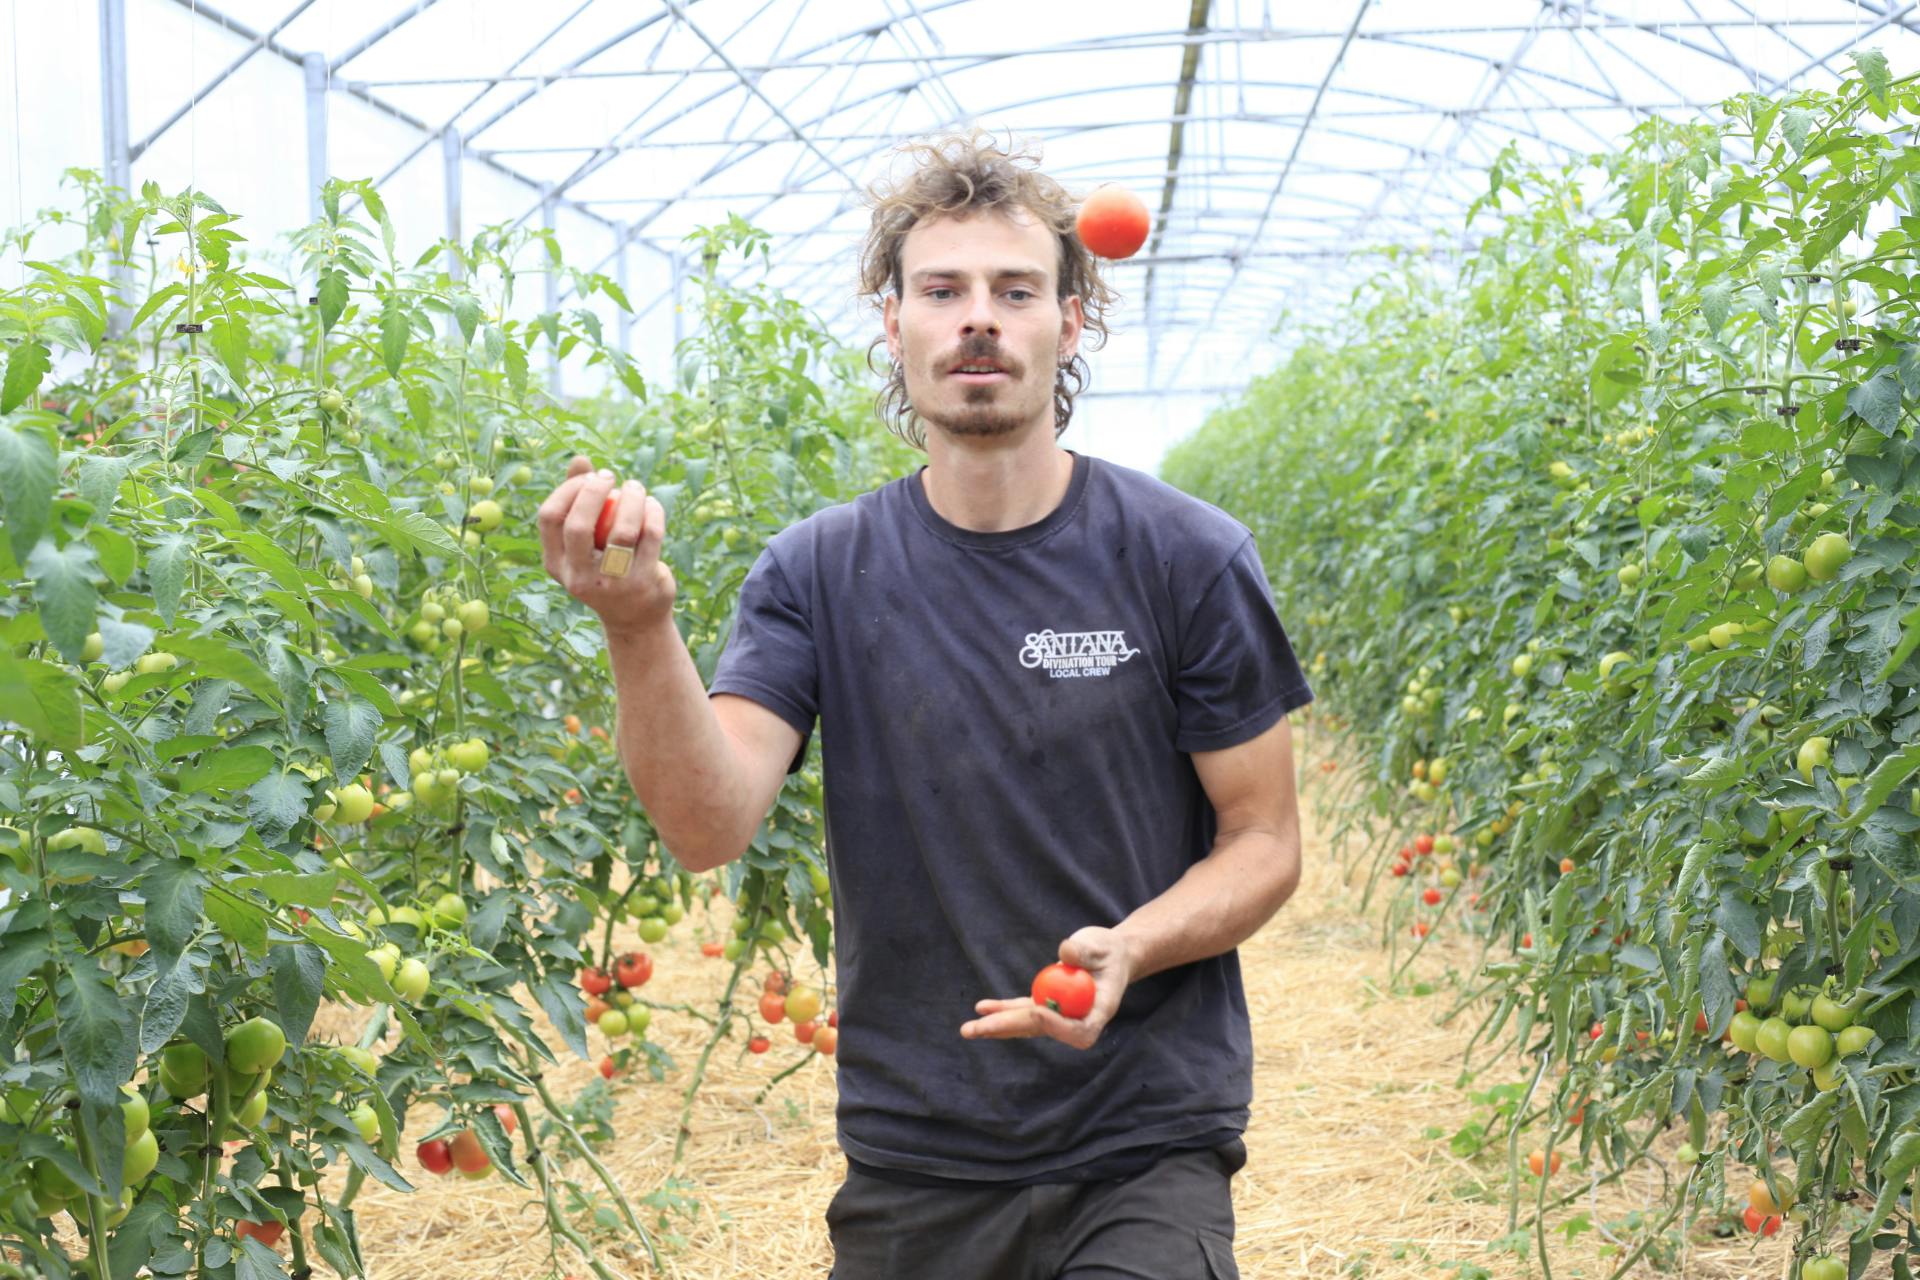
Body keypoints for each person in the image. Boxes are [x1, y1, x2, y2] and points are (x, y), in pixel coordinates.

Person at [537, 129, 1313, 1280]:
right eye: (942, 290)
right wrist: (639, 625)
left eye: (1017, 289)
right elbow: (708, 827)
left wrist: (1132, 949)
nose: (979, 320)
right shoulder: (817, 570)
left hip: (1142, 1138)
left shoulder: (1184, 555)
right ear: (893, 321)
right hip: (918, 1149)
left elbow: (1265, 839)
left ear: (1073, 321)